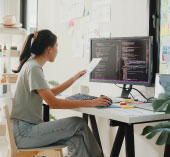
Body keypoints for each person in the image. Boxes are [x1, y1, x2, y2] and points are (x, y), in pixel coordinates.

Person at [10, 29, 110, 157]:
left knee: (76, 140)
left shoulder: (31, 65)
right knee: (79, 123)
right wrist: (92, 102)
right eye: (56, 45)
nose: (58, 50)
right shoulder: (34, 68)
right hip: (24, 133)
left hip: (24, 130)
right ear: (49, 49)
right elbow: (54, 103)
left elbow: (50, 94)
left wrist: (73, 79)